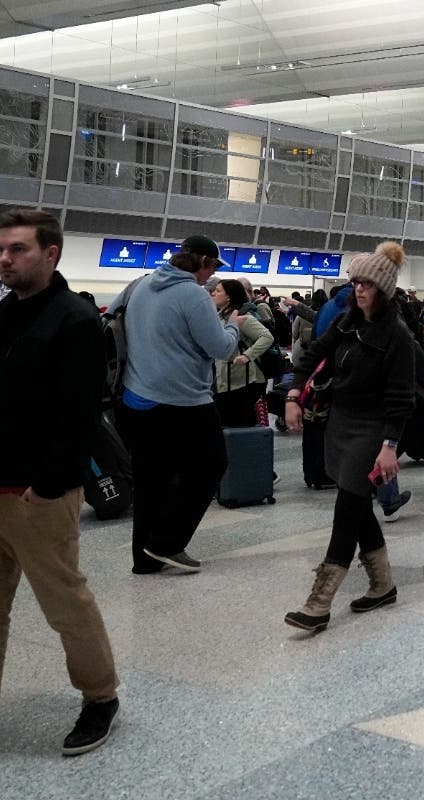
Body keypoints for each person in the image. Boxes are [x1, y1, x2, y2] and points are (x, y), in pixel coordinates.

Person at [0, 208, 120, 755]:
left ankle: (100, 698)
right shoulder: (5, 314)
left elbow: (78, 416)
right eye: (2, 249)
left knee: (63, 601)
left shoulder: (74, 321)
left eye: (18, 249)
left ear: (51, 254)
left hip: (38, 494)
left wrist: (47, 486)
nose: (6, 258)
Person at [283, 242, 414, 632]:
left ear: (384, 290)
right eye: (356, 282)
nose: (359, 290)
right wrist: (293, 393)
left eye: (367, 284)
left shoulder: (398, 336)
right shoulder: (346, 322)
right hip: (340, 423)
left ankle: (320, 600)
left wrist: (390, 446)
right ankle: (383, 584)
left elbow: (401, 398)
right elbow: (310, 355)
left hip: (373, 430)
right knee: (356, 502)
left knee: (347, 506)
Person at [117, 235, 243, 574]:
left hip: (136, 398)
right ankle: (166, 543)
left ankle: (144, 559)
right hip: (183, 401)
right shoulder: (193, 295)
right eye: (213, 267)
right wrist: (232, 327)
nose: (212, 276)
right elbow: (220, 348)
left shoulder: (139, 285)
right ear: (203, 262)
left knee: (150, 479)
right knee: (210, 465)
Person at [210, 279, 274, 428]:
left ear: (229, 297)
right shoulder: (219, 315)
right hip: (221, 381)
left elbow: (266, 337)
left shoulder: (242, 317)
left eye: (218, 291)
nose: (213, 293)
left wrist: (247, 355)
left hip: (238, 383)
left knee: (238, 424)